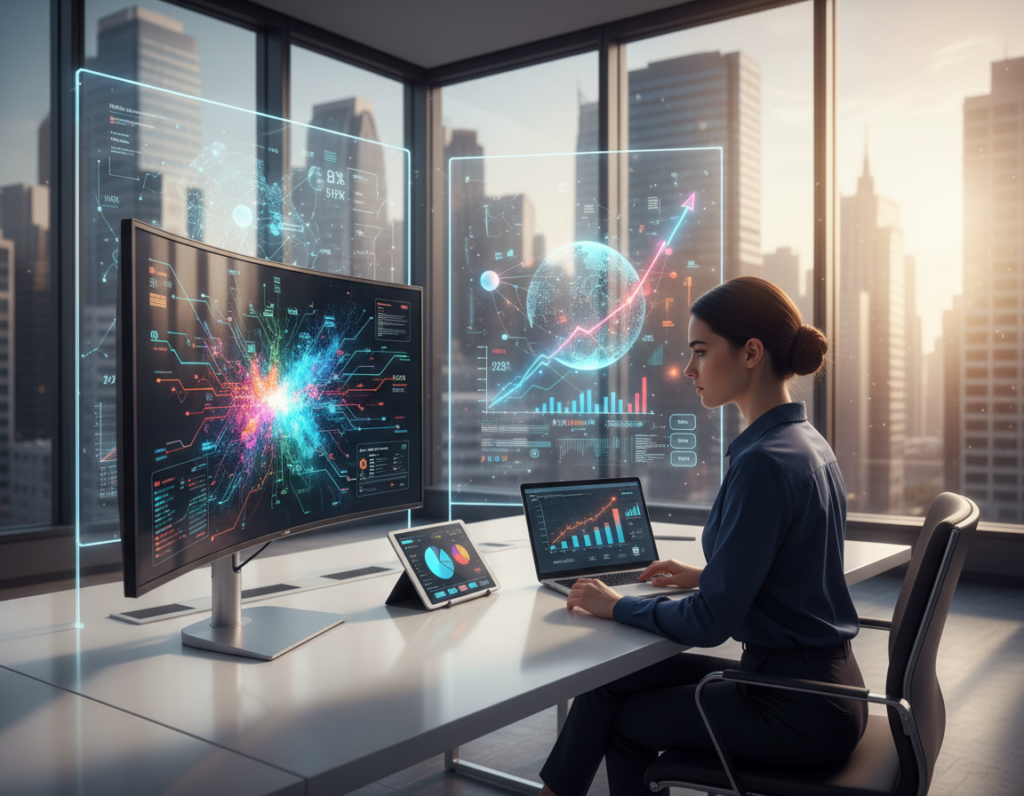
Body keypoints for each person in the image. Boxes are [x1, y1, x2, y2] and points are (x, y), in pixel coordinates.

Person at [538, 276, 867, 796]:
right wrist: (707, 576)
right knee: (612, 682)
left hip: (792, 707)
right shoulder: (804, 443)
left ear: (751, 352)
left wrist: (616, 606)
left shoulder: (763, 462)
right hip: (825, 687)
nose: (688, 369)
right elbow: (788, 566)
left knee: (625, 722)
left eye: (700, 351)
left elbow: (713, 623)